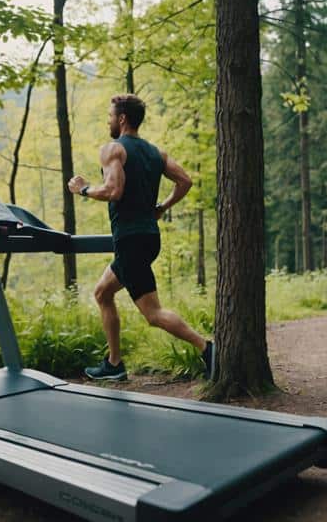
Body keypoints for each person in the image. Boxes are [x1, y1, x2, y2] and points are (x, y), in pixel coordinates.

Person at [67, 94, 217, 381]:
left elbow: (113, 191)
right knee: (102, 292)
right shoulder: (154, 153)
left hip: (131, 240)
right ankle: (114, 364)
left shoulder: (113, 149)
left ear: (122, 118)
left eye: (111, 115)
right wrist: (161, 207)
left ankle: (208, 349)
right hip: (148, 238)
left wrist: (83, 189)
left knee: (153, 314)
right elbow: (185, 181)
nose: (108, 120)